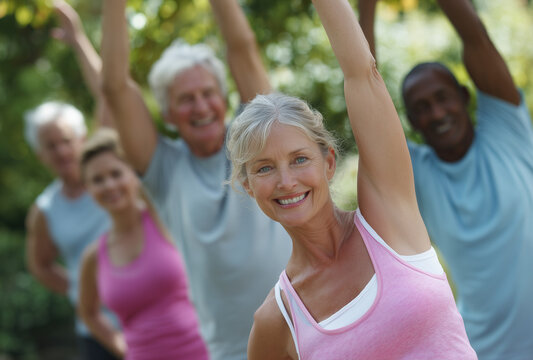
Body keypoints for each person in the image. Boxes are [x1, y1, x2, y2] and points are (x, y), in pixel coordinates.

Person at [226, 0, 477, 358]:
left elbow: (362, 73)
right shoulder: (276, 321)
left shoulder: (387, 218)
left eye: (299, 159)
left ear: (329, 161)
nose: (286, 181)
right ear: (249, 186)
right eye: (264, 168)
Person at [100, 0, 291, 358]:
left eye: (208, 94)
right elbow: (114, 87)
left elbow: (242, 48)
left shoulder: (255, 139)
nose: (201, 107)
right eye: (186, 99)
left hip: (310, 326)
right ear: (169, 114)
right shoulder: (164, 169)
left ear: (224, 97)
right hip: (236, 351)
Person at [359, 0, 533, 358]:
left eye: (442, 98)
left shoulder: (506, 129)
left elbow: (476, 37)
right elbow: (362, 89)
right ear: (411, 124)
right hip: (487, 350)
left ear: (464, 97)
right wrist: (366, 7)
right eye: (421, 108)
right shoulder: (418, 175)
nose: (436, 113)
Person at [24, 3, 120, 358]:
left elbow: (109, 95)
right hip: (95, 331)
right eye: (51, 146)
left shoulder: (110, 174)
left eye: (67, 140)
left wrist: (78, 39)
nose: (62, 150)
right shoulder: (45, 209)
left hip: (147, 315)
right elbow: (40, 265)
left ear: (83, 139)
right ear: (41, 155)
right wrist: (79, 289)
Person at [77, 129, 209, 360]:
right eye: (97, 180)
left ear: (132, 174)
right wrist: (121, 346)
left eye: (116, 173)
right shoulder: (94, 256)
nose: (109, 185)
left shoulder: (163, 219)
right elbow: (88, 313)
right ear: (88, 189)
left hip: (202, 352)